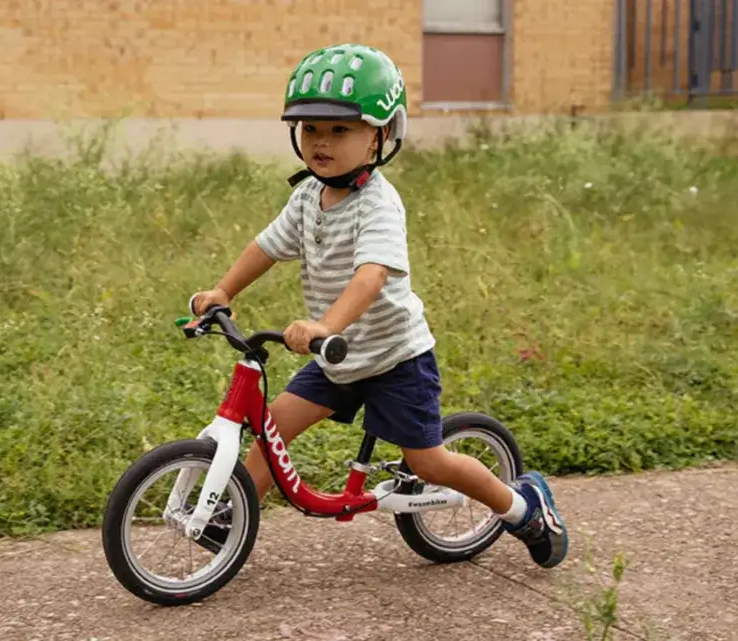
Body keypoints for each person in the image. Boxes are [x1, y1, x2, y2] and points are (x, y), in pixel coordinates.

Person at [188, 43, 568, 569]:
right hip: (339, 359)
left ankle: (522, 507)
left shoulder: (378, 203)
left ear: (380, 135)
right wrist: (224, 291)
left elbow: (370, 278)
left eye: (339, 130)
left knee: (429, 463)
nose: (321, 142)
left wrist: (324, 325)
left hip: (394, 359)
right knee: (272, 428)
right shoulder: (307, 196)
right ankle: (231, 517)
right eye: (310, 128)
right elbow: (267, 247)